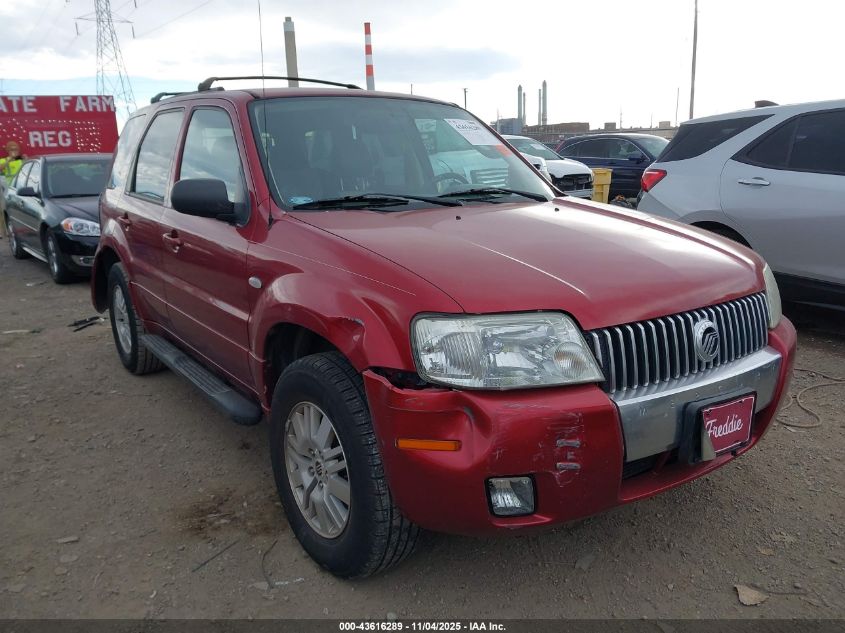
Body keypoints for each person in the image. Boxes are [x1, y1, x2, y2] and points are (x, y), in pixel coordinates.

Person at [0, 141, 26, 239]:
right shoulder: (3, 160)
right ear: (8, 150)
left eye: (15, 149)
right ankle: (5, 231)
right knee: (5, 209)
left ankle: (21, 229)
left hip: (20, 187)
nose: (14, 151)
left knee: (21, 209)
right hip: (8, 188)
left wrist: (26, 160)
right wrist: (9, 160)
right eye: (12, 149)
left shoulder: (21, 160)